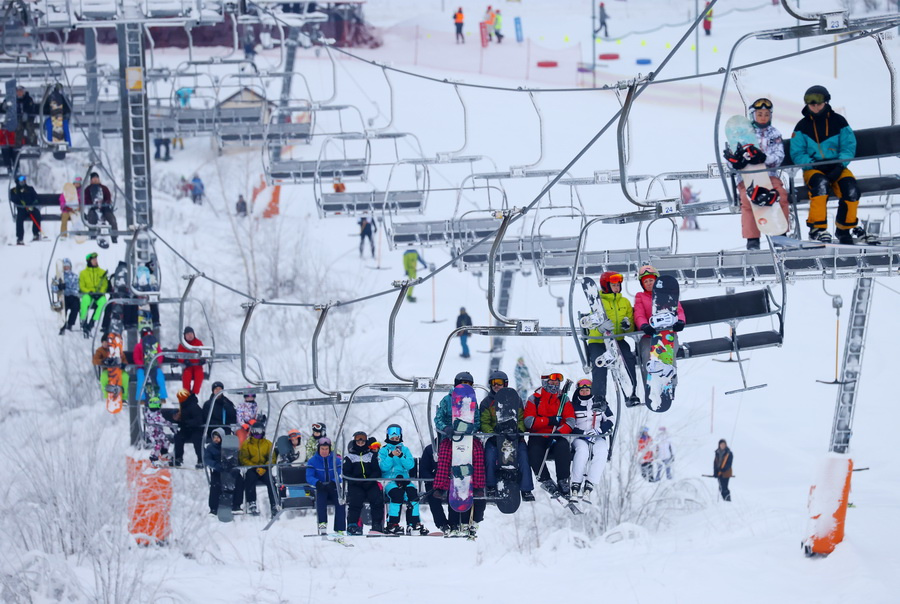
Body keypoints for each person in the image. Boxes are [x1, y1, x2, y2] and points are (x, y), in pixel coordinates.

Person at [790, 85, 871, 244]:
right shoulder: (802, 126)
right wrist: (811, 165)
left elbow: (848, 145)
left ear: (826, 101)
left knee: (851, 188)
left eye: (818, 102)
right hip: (813, 169)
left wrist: (840, 165)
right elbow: (797, 152)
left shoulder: (838, 122)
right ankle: (817, 229)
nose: (814, 106)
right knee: (820, 185)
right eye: (810, 102)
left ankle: (844, 229)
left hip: (838, 166)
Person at [432, 372, 487, 537]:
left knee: (478, 453)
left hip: (468, 437)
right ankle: (440, 487)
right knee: (446, 455)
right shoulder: (447, 400)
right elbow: (438, 419)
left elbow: (476, 420)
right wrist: (447, 428)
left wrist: (472, 428)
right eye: (462, 383)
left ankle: (477, 486)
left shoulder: (473, 402)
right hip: (451, 436)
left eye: (468, 384)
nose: (465, 386)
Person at [738, 98, 790, 250]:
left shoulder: (774, 134)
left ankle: (780, 234)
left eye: (766, 114)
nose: (763, 117)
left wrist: (764, 158)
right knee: (748, 199)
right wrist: (739, 161)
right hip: (747, 177)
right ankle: (752, 239)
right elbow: (733, 159)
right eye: (759, 114)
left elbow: (779, 157)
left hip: (769, 176)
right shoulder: (742, 134)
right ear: (753, 115)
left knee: (779, 194)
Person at [586, 271, 641, 406]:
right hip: (598, 342)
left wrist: (627, 326)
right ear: (606, 286)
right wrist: (600, 328)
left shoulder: (625, 302)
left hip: (617, 340)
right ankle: (599, 398)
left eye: (618, 285)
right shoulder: (597, 303)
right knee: (600, 363)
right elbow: (590, 326)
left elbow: (631, 328)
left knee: (627, 358)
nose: (616, 287)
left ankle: (631, 393)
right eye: (613, 285)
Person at [479, 371, 535, 501]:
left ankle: (526, 490)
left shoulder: (516, 400)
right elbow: (484, 422)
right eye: (493, 383)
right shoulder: (487, 403)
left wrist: (518, 430)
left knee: (523, 457)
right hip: (495, 439)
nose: (496, 386)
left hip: (515, 439)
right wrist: (493, 432)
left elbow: (521, 419)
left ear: (505, 384)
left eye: (499, 383)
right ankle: (491, 486)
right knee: (489, 456)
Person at [524, 372, 576, 499]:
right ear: (545, 382)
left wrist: (559, 432)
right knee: (534, 451)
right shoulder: (534, 399)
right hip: (539, 435)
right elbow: (529, 422)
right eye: (552, 382)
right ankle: (545, 480)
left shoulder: (563, 400)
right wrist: (548, 420)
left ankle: (563, 480)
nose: (555, 385)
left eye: (557, 382)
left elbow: (570, 421)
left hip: (556, 435)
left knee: (563, 447)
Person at [633, 265, 685, 389]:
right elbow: (638, 313)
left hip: (668, 334)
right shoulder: (640, 296)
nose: (649, 283)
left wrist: (680, 322)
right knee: (647, 353)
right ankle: (650, 383)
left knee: (669, 353)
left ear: (656, 280)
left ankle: (670, 382)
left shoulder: (668, 295)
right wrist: (644, 325)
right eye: (645, 282)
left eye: (651, 280)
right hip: (649, 335)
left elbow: (679, 310)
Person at [378, 424, 429, 535]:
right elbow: (383, 467)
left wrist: (401, 456)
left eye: (397, 438)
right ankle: (393, 523)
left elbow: (410, 465)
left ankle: (413, 523)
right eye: (392, 438)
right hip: (390, 481)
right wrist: (391, 456)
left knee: (413, 495)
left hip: (405, 480)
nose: (395, 440)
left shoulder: (405, 450)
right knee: (397, 495)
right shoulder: (383, 451)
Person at [569, 379, 614, 501]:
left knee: (602, 451)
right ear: (578, 391)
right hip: (579, 437)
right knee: (582, 451)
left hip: (597, 436)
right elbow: (569, 423)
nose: (584, 392)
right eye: (582, 390)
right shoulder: (573, 405)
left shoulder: (600, 403)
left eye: (587, 390)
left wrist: (598, 431)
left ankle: (590, 483)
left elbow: (610, 419)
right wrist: (582, 433)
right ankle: (576, 484)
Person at [343, 430, 384, 535]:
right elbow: (346, 473)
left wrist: (370, 480)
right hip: (356, 484)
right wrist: (357, 482)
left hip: (370, 483)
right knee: (355, 500)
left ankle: (376, 524)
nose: (360, 443)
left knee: (376, 499)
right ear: (354, 442)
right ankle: (352, 525)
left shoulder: (371, 456)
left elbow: (376, 470)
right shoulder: (349, 457)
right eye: (358, 441)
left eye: (362, 441)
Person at [306, 437, 347, 535]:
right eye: (322, 449)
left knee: (340, 501)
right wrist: (317, 483)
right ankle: (322, 523)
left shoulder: (336, 460)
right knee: (321, 500)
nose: (324, 451)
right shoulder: (312, 461)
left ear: (329, 449)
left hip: (334, 486)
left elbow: (341, 474)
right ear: (318, 449)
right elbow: (309, 476)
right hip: (321, 487)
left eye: (326, 449)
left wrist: (334, 481)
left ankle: (339, 528)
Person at [239, 419, 276, 516]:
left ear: (263, 431)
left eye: (259, 431)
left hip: (265, 468)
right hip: (253, 468)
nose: (257, 433)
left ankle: (274, 503)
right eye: (255, 431)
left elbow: (272, 457)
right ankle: (252, 503)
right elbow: (244, 458)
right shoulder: (247, 444)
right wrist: (255, 467)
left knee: (271, 481)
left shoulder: (268, 443)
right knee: (249, 478)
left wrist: (266, 466)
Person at [205, 427, 244, 516]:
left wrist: (233, 465)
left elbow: (236, 456)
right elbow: (207, 459)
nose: (216, 439)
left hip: (230, 470)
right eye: (214, 437)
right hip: (218, 470)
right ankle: (213, 508)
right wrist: (216, 465)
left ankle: (236, 505)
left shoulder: (229, 446)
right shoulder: (210, 448)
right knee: (215, 484)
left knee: (239, 481)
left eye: (218, 437)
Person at [133, 326, 168, 403]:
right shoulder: (139, 346)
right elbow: (136, 358)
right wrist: (143, 364)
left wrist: (155, 363)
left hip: (154, 367)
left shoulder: (156, 346)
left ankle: (162, 396)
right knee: (141, 379)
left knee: (160, 377)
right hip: (142, 368)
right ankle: (141, 397)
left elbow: (160, 355)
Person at [92, 334, 130, 404]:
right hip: (107, 370)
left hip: (119, 370)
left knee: (125, 377)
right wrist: (103, 361)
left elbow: (124, 359)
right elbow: (95, 360)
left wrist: (123, 364)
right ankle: (107, 395)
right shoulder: (100, 351)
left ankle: (124, 397)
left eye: (107, 342)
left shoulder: (117, 350)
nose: (106, 344)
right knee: (104, 377)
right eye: (104, 342)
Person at [83, 172, 118, 243]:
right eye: (94, 179)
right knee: (92, 218)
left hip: (105, 208)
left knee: (112, 219)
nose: (95, 180)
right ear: (91, 180)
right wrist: (93, 204)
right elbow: (85, 200)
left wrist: (105, 203)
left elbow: (108, 198)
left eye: (96, 179)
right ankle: (92, 235)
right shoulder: (87, 189)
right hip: (93, 208)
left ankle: (114, 236)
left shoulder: (104, 188)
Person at [79, 252, 108, 338]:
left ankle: (92, 322)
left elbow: (105, 284)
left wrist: (100, 293)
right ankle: (83, 320)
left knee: (103, 302)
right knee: (85, 300)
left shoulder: (102, 272)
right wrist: (89, 291)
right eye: (93, 260)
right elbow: (82, 286)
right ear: (89, 261)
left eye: (96, 259)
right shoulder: (83, 273)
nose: (95, 261)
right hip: (89, 294)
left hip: (98, 295)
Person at [173, 388, 204, 468]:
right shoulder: (183, 407)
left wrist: (187, 423)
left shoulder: (193, 406)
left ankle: (201, 459)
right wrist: (178, 420)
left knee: (197, 439)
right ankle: (178, 457)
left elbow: (199, 420)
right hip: (186, 429)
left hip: (196, 429)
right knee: (178, 437)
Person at [10, 173, 41, 245]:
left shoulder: (30, 189)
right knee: (19, 219)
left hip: (31, 208)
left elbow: (36, 198)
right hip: (22, 210)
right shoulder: (14, 191)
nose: (23, 181)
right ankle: (20, 238)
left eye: (24, 179)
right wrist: (19, 196)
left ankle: (36, 234)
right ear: (17, 181)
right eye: (21, 180)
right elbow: (13, 199)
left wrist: (32, 205)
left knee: (37, 214)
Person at [144, 396, 174, 466]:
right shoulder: (155, 414)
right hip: (153, 432)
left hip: (158, 431)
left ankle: (164, 455)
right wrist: (171, 426)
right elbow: (162, 421)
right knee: (158, 444)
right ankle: (153, 458)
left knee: (165, 441)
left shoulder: (150, 412)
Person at [177, 326, 205, 394]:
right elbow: (179, 355)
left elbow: (204, 352)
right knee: (186, 377)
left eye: (191, 334)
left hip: (197, 365)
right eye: (188, 334)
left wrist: (203, 359)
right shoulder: (182, 345)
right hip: (188, 366)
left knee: (199, 377)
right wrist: (184, 360)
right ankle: (186, 393)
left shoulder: (198, 343)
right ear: (185, 336)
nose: (190, 336)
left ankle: (194, 393)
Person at [58, 258, 80, 335]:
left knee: (76, 307)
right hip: (63, 296)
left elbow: (77, 287)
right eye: (64, 266)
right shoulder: (59, 276)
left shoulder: (75, 276)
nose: (66, 267)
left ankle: (70, 324)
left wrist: (71, 291)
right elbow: (53, 287)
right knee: (63, 308)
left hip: (72, 296)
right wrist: (59, 287)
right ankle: (63, 324)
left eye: (67, 266)